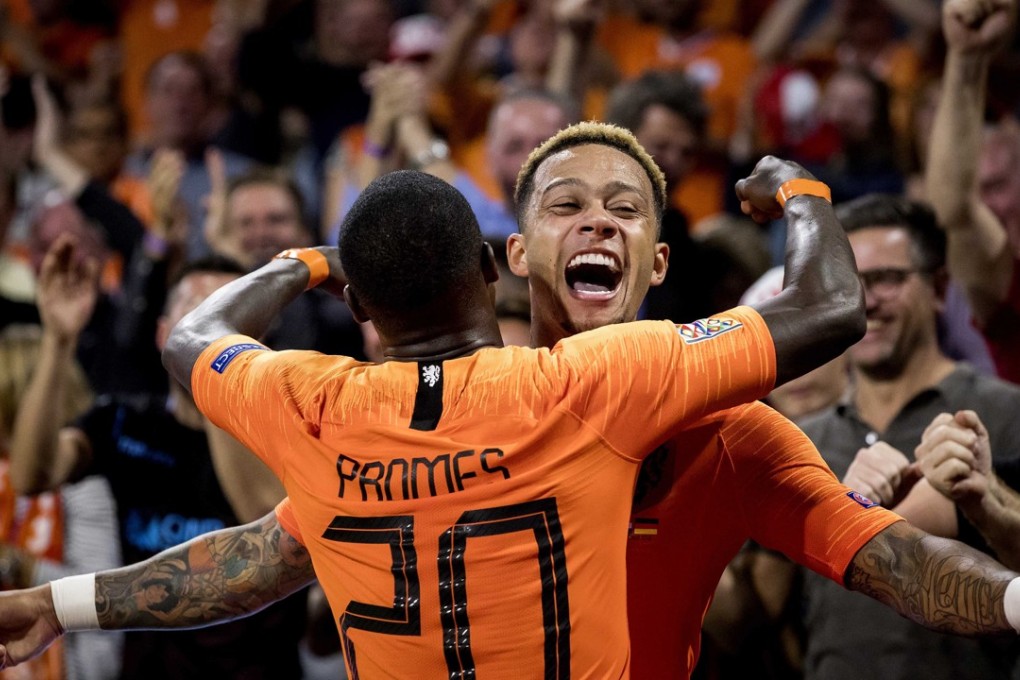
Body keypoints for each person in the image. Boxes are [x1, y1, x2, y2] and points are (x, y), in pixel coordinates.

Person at [0, 125, 1017, 678]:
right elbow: (262, 553)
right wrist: (801, 190)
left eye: (627, 208)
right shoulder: (490, 400)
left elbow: (895, 563)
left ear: (659, 260)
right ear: (510, 257)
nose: (601, 222)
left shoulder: (727, 431)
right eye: (568, 203)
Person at [8, 245, 303, 679]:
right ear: (165, 334)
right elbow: (32, 475)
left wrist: (216, 373)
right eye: (196, 312)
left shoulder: (287, 427)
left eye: (224, 314)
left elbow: (266, 527)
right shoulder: (123, 421)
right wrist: (59, 340)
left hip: (257, 668)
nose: (209, 326)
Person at [797, 193, 1020, 680]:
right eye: (849, 283)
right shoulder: (798, 442)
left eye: (887, 280)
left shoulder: (1008, 415)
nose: (866, 301)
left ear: (940, 287)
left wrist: (985, 500)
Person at [926, 0, 1020, 384]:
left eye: (998, 185)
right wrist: (966, 59)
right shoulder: (1010, 291)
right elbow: (956, 212)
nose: (990, 207)